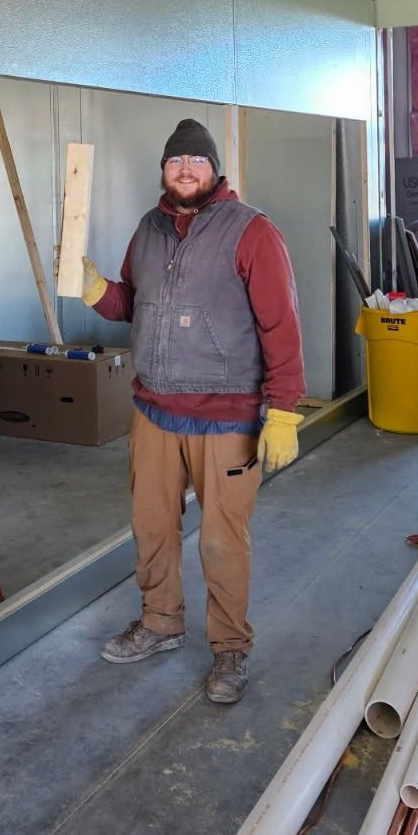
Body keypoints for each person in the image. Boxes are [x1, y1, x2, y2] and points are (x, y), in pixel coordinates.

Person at [82, 119, 304, 705]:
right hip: (155, 407)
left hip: (228, 416)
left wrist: (282, 411)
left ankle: (230, 647)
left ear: (214, 170)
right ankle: (160, 623)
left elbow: (281, 327)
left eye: (196, 161)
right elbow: (132, 302)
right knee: (152, 526)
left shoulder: (252, 232)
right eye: (175, 160)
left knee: (222, 540)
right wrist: (93, 288)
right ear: (164, 170)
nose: (185, 169)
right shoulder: (148, 229)